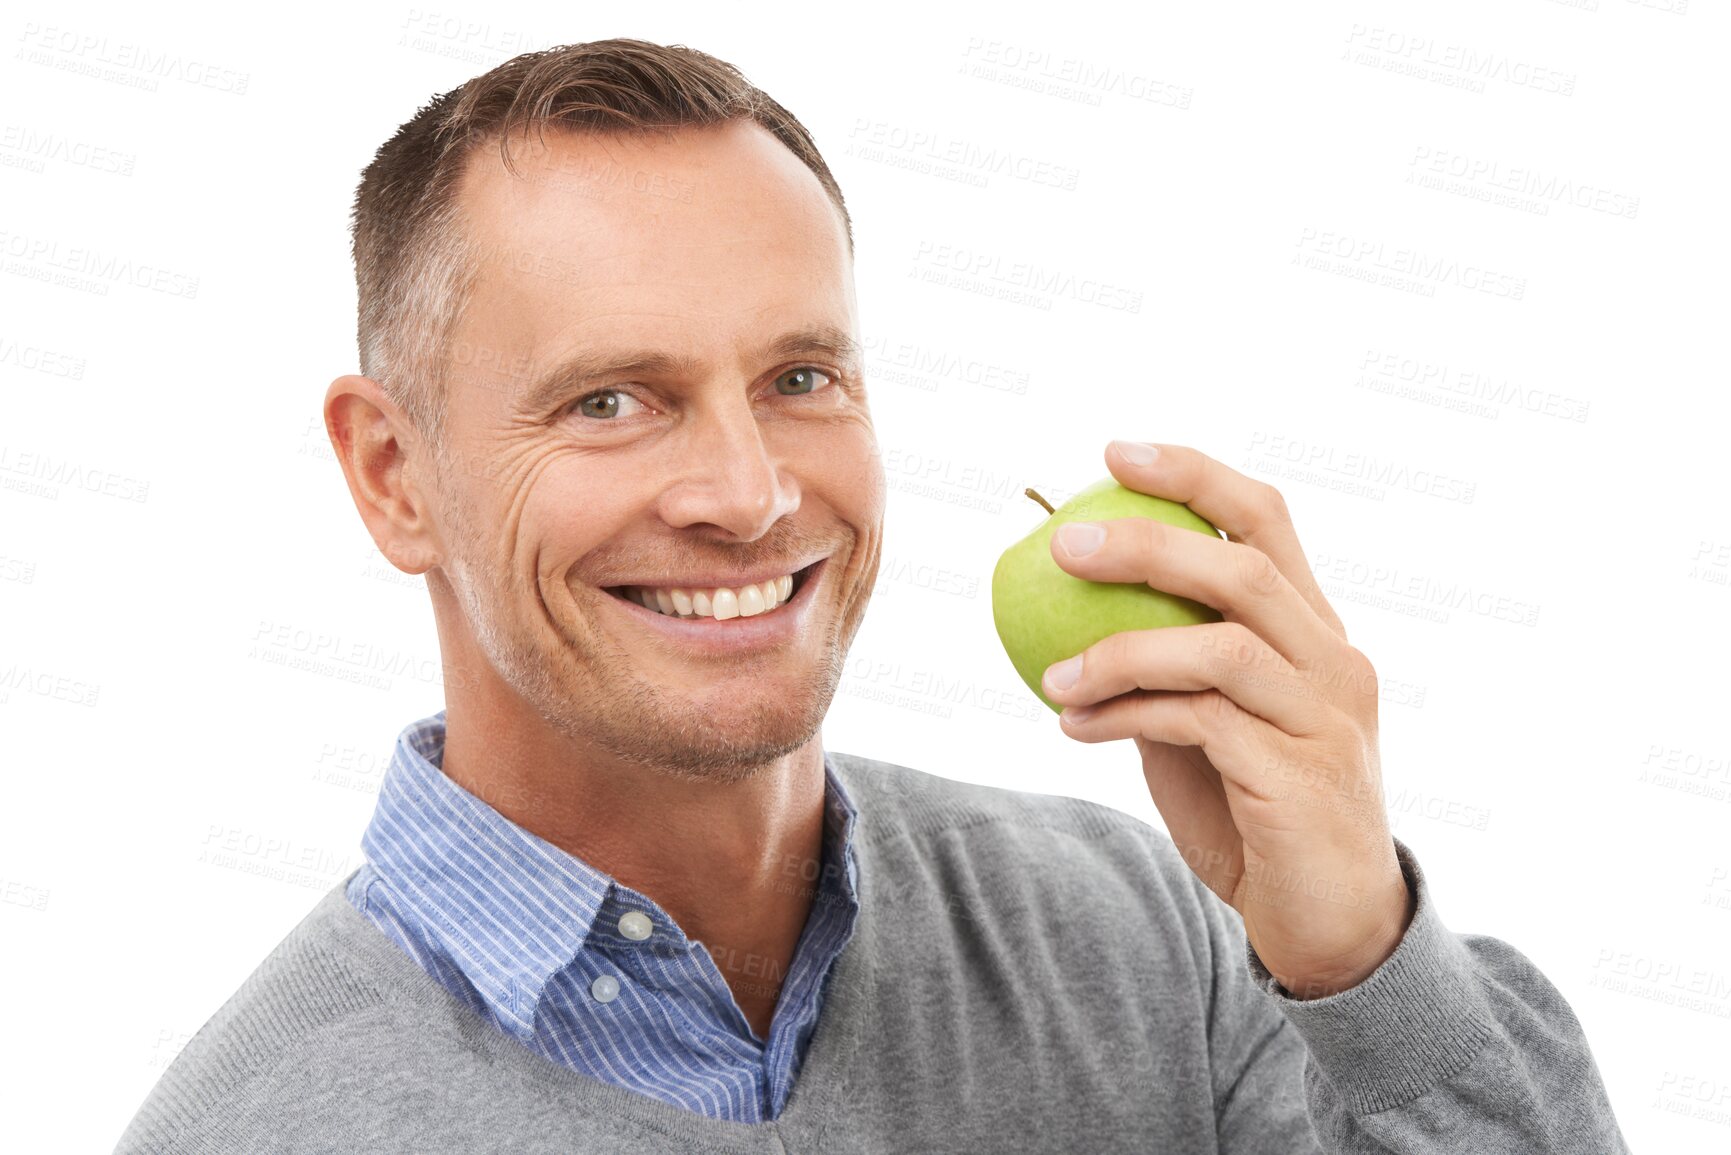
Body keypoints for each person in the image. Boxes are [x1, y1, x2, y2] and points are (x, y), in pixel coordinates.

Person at [116, 38, 1627, 1153]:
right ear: (393, 475)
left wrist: (1360, 955)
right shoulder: (259, 1125)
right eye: (610, 402)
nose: (752, 490)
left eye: (799, 377)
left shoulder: (1140, 940)